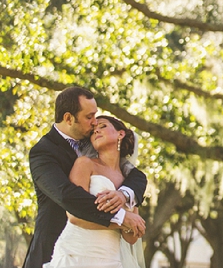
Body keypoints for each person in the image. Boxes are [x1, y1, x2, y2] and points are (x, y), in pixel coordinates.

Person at [23, 87, 147, 268]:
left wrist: (124, 195)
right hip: (61, 250)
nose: (95, 123)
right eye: (89, 117)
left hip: (108, 256)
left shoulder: (97, 142)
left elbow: (137, 177)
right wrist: (121, 218)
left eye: (95, 116)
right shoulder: (43, 153)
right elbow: (66, 195)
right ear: (68, 118)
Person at [45, 114, 146, 268]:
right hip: (77, 254)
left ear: (121, 133)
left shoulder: (129, 182)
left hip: (110, 260)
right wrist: (123, 220)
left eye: (103, 126)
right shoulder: (85, 164)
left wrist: (135, 226)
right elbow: (74, 215)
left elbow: (131, 238)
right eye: (93, 131)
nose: (96, 131)